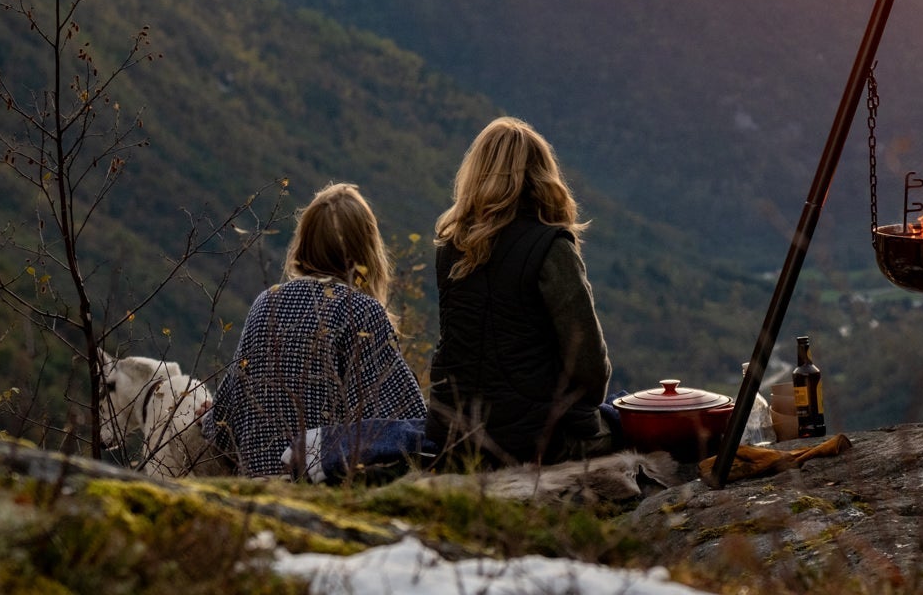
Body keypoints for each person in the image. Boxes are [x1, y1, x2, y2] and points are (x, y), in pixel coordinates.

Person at [426, 116, 615, 466]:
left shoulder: (451, 247)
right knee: (626, 420)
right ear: (541, 175)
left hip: (455, 435)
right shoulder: (551, 246)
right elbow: (589, 364)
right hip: (536, 439)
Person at [203, 183, 426, 477]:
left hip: (255, 488)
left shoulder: (266, 302)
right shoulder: (360, 311)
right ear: (367, 249)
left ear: (304, 241)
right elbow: (406, 422)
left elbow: (224, 424)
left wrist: (207, 415)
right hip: (321, 487)